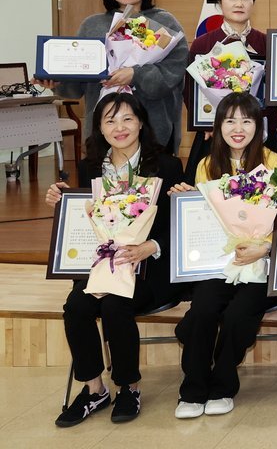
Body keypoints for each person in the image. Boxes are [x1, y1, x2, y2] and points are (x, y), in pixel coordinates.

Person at [46, 93, 185, 426]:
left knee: (114, 305)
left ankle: (128, 387)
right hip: (103, 266)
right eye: (110, 120)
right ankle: (94, 389)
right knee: (76, 306)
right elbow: (86, 220)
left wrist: (150, 246)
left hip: (149, 269)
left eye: (127, 119)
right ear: (100, 128)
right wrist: (62, 202)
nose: (119, 127)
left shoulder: (166, 165)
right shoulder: (90, 167)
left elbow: (178, 223)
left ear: (141, 122)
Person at [169, 93, 277, 419]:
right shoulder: (206, 165)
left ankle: (223, 385)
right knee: (203, 309)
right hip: (219, 262)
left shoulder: (275, 164)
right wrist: (187, 200)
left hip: (263, 263)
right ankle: (192, 390)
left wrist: (264, 248)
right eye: (230, 121)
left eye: (246, 120)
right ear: (218, 126)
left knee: (239, 314)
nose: (238, 129)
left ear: (259, 126)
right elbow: (203, 219)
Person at [37, 0, 188, 154]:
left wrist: (135, 74)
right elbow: (77, 87)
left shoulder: (165, 23)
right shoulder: (92, 25)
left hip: (154, 128)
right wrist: (57, 82)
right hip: (103, 130)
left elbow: (174, 73)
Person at [184, 0, 277, 181]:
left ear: (253, 2)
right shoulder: (202, 44)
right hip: (216, 131)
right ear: (219, 2)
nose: (239, 3)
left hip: (260, 131)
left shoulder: (267, 43)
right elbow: (190, 90)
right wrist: (206, 123)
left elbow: (275, 88)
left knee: (267, 188)